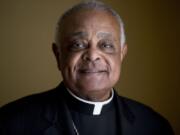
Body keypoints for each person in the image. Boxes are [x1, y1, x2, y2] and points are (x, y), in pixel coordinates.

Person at [0, 1, 174, 135]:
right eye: (77, 44)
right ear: (58, 55)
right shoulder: (10, 122)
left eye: (106, 45)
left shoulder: (154, 125)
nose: (92, 55)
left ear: (122, 54)